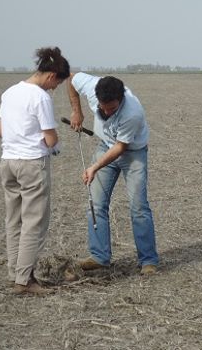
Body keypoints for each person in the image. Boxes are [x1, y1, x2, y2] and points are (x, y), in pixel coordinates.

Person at [67, 72, 159, 275]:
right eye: (103, 107)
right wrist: (77, 112)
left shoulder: (132, 113)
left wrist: (94, 167)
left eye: (112, 108)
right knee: (96, 202)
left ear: (121, 100)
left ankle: (148, 261)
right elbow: (71, 79)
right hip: (105, 145)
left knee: (138, 206)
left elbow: (120, 148)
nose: (107, 112)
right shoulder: (91, 87)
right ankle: (100, 257)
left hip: (132, 152)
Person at [0, 47, 70, 295]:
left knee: (13, 220)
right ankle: (25, 280)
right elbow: (50, 137)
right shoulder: (40, 97)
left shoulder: (9, 92)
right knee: (33, 223)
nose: (54, 88)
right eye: (57, 83)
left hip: (8, 162)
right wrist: (58, 146)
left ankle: (14, 273)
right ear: (51, 76)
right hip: (31, 164)